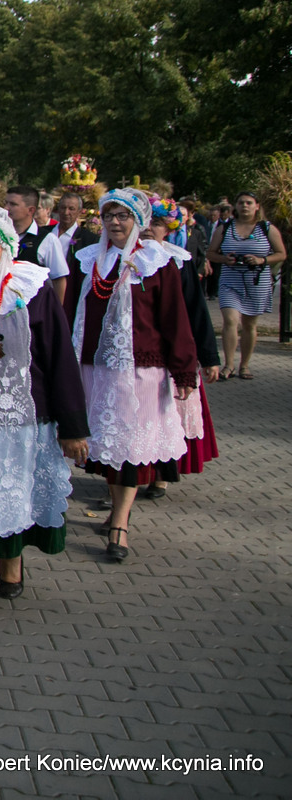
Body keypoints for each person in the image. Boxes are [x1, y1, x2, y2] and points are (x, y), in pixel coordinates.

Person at [0, 207, 89, 629]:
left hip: (24, 419)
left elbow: (60, 357)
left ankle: (12, 562)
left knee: (12, 492)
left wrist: (73, 426)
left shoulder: (33, 288)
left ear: (7, 248)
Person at [64, 188, 198, 563]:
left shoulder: (156, 261)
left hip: (140, 369)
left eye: (123, 216)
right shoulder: (88, 259)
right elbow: (71, 311)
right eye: (110, 215)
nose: (115, 222)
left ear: (138, 222)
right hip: (94, 366)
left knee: (127, 449)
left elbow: (174, 317)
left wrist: (184, 368)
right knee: (107, 445)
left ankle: (121, 522)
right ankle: (115, 511)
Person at [140, 196, 220, 499]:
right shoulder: (123, 259)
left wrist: (208, 356)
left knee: (168, 413)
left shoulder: (179, 260)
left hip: (173, 350)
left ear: (168, 227)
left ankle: (161, 473)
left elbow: (195, 310)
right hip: (141, 351)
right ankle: (129, 478)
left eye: (157, 224)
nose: (149, 229)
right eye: (145, 222)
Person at [207, 191, 286, 380]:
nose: (245, 206)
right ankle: (229, 365)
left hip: (256, 281)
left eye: (249, 203)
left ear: (257, 206)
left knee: (249, 324)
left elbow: (281, 254)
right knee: (230, 320)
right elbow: (211, 253)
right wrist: (225, 259)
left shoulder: (267, 228)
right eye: (241, 202)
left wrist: (261, 260)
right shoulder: (225, 228)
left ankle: (245, 365)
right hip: (230, 280)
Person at [4, 185, 68, 300]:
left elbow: (59, 280)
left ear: (31, 210)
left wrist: (56, 313)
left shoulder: (48, 240)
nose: (6, 208)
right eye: (6, 203)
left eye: (13, 204)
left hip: (35, 310)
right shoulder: (0, 235)